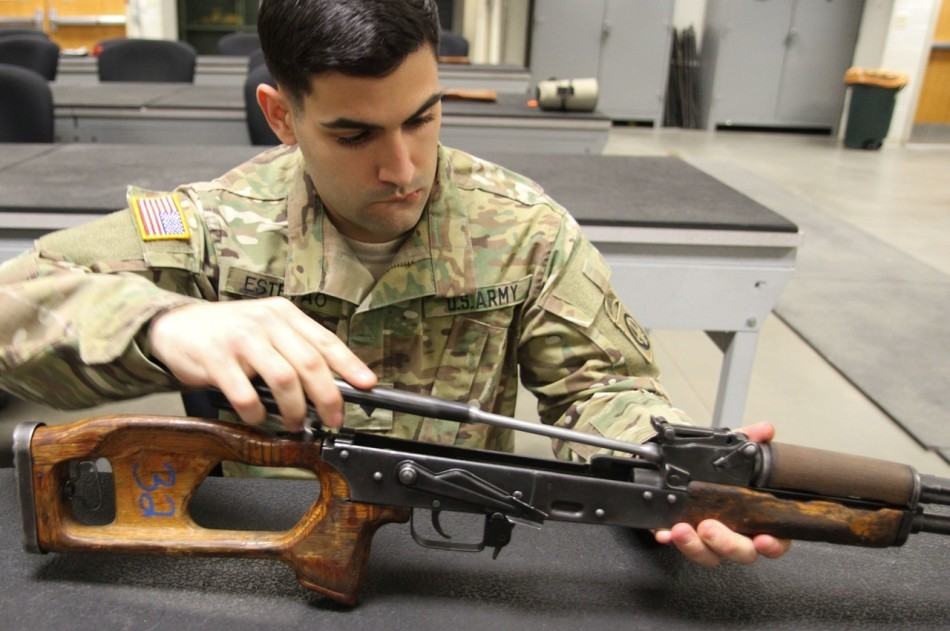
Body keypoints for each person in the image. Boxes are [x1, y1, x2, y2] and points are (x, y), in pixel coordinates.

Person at [0, 0, 788, 568]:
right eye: (354, 134)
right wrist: (166, 326)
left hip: (461, 551)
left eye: (423, 117)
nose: (403, 168)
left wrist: (660, 461)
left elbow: (603, 387)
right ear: (280, 116)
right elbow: (14, 307)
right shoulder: (216, 226)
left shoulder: (524, 229)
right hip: (268, 546)